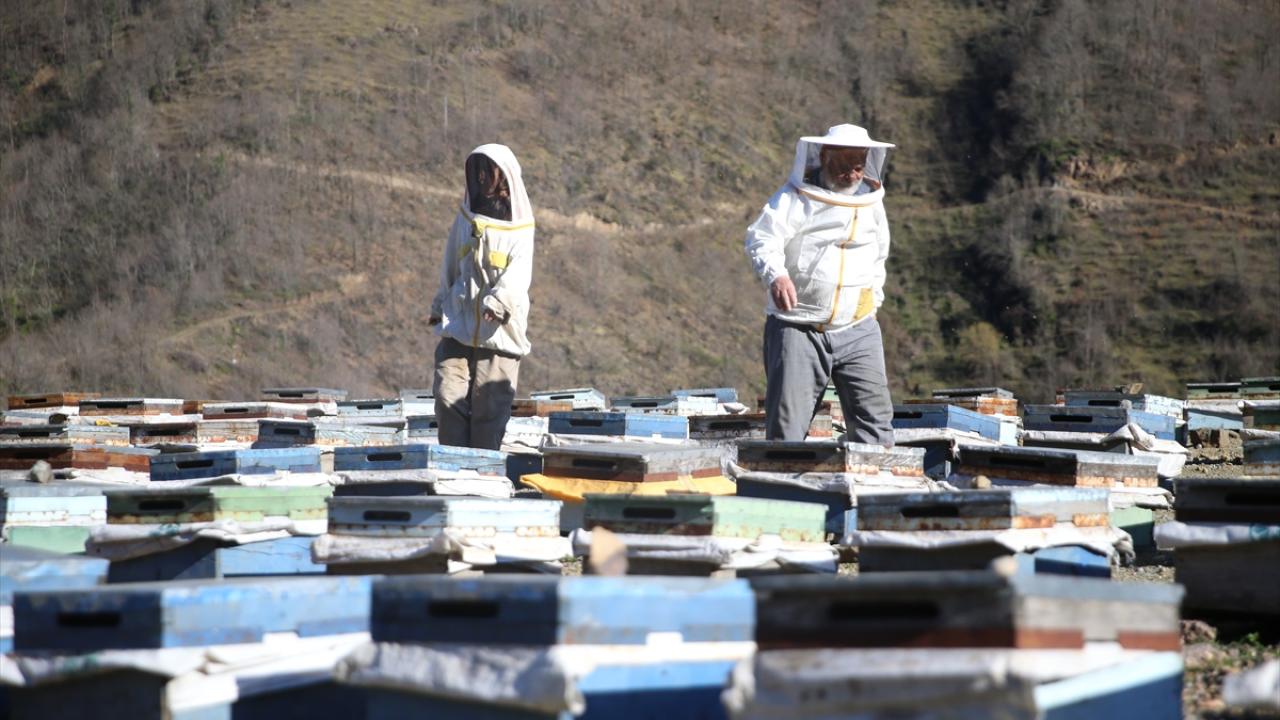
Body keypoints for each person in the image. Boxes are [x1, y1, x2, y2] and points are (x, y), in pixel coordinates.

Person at [744, 124, 896, 444]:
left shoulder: (870, 202)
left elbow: (879, 254)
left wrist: (873, 301)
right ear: (825, 156)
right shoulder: (795, 197)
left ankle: (872, 488)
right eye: (845, 166)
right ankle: (784, 492)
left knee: (875, 423)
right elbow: (762, 238)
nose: (853, 175)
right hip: (798, 326)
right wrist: (777, 275)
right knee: (788, 428)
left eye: (859, 166)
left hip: (859, 328)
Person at [429, 144, 534, 450]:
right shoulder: (466, 217)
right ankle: (454, 466)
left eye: (488, 171)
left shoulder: (520, 228)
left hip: (499, 334)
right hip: (458, 326)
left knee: (489, 408)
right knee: (447, 397)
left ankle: (482, 474)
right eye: (478, 171)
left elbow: (518, 274)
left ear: (504, 176)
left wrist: (498, 302)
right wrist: (439, 304)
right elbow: (450, 261)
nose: (482, 177)